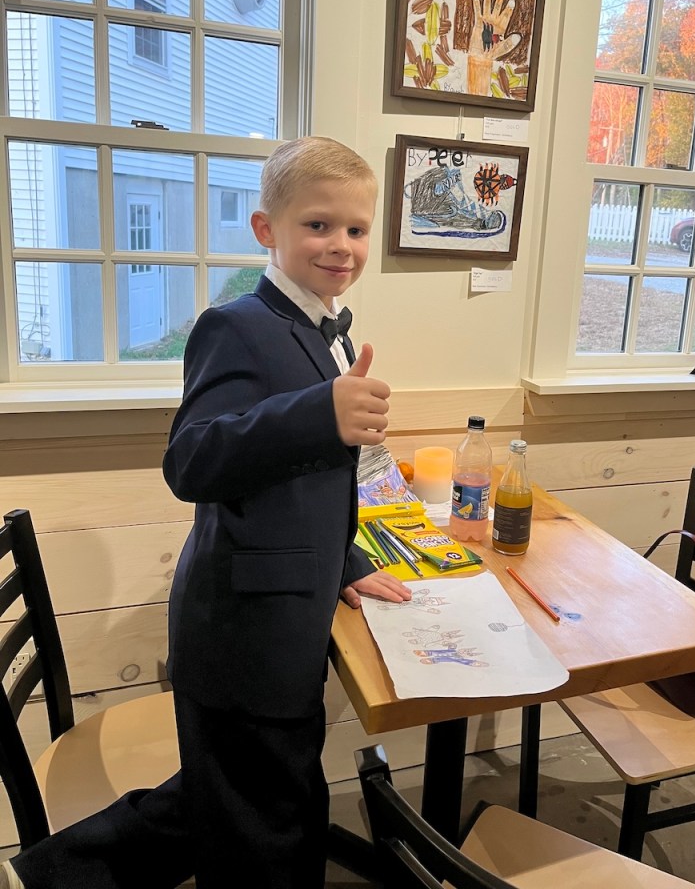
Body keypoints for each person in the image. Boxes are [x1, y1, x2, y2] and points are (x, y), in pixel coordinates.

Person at [0, 135, 412, 889]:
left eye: (356, 229)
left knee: (236, 795)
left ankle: (54, 874)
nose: (341, 246)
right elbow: (191, 460)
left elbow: (299, 485)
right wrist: (320, 414)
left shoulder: (327, 326)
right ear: (267, 231)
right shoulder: (236, 325)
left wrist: (347, 563)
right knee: (268, 821)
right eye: (318, 225)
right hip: (243, 632)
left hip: (285, 607)